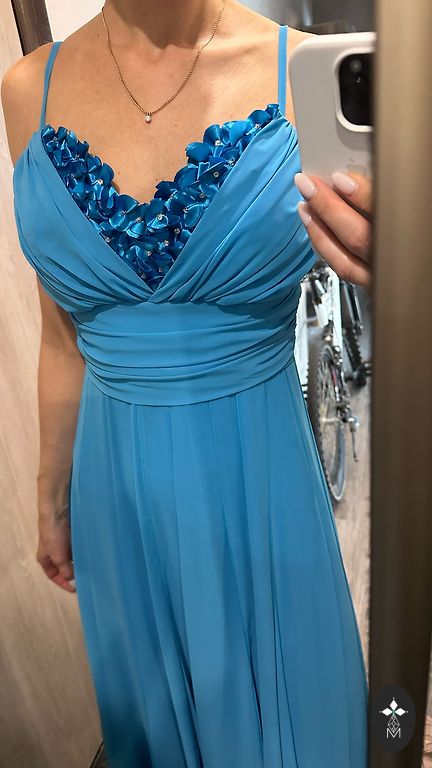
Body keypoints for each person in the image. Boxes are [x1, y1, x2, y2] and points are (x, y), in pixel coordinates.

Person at [2, 0, 372, 765]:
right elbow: (64, 336)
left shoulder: (301, 71)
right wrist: (50, 498)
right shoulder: (27, 88)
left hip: (260, 483)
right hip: (116, 497)